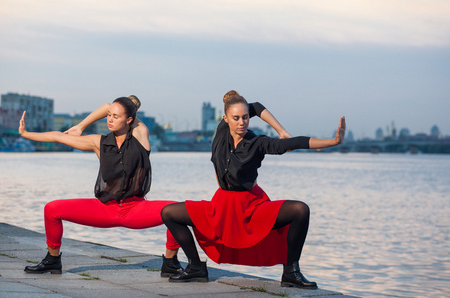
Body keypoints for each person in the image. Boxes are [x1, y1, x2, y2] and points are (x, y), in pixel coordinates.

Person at [161, 91, 345, 287]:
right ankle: (195, 266)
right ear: (225, 119)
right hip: (221, 206)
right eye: (236, 118)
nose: (242, 122)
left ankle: (291, 272)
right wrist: (238, 104)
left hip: (251, 206)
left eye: (246, 117)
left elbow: (293, 143)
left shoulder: (257, 143)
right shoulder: (222, 131)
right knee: (169, 213)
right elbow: (255, 106)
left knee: (300, 210)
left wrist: (332, 142)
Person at [20, 96, 182, 276]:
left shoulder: (140, 135)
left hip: (135, 209)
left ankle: (170, 263)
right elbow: (59, 137)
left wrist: (96, 118)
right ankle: (52, 260)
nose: (110, 119)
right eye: (109, 115)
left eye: (115, 116)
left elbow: (107, 106)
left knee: (178, 211)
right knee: (52, 209)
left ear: (129, 119)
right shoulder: (98, 143)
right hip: (105, 208)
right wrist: (26, 134)